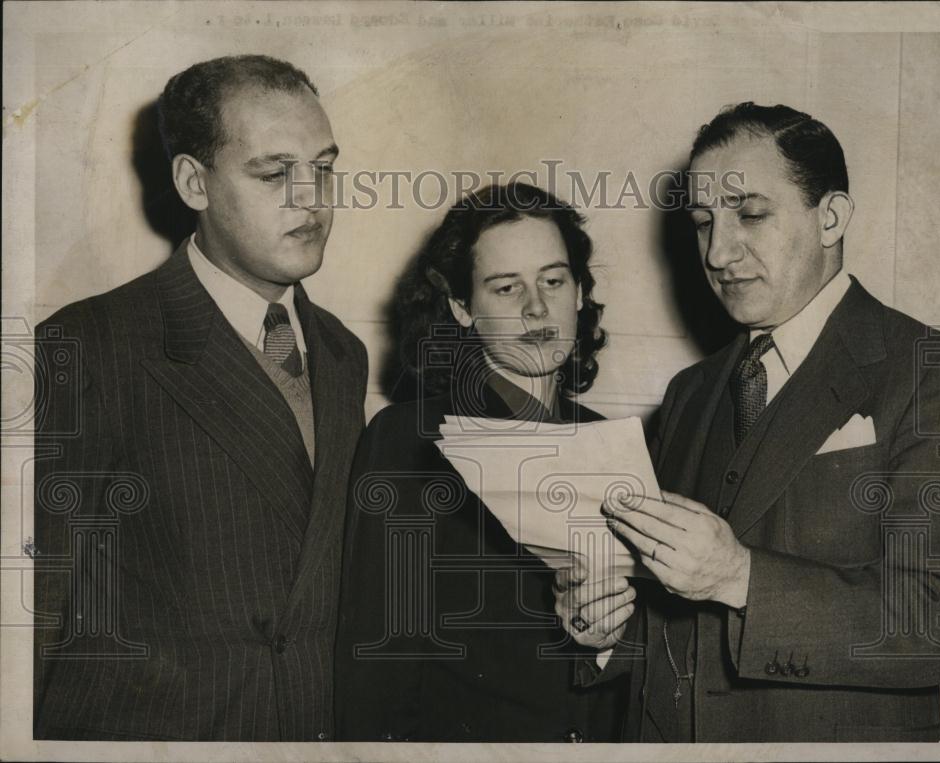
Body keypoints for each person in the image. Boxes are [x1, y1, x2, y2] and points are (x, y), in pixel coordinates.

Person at [555, 102, 940, 742]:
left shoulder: (936, 371)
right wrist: (607, 631)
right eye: (702, 222)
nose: (719, 252)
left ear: (831, 217)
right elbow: (676, 626)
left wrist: (741, 577)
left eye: (751, 214)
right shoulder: (689, 393)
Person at [33, 55, 368, 741]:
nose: (312, 198)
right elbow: (34, 606)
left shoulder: (342, 355)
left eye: (324, 167)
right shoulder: (91, 344)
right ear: (194, 182)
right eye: (276, 173)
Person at [334, 182, 629, 742]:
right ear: (462, 307)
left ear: (580, 292)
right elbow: (376, 664)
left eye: (553, 279)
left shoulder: (618, 443)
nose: (537, 307)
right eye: (505, 287)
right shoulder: (408, 442)